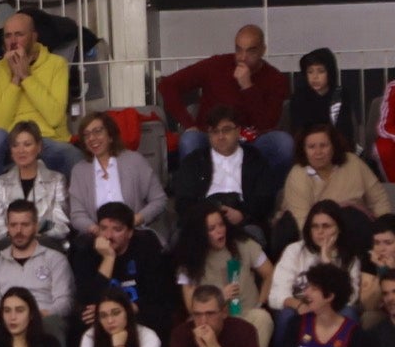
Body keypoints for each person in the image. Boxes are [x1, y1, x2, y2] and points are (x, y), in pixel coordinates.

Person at [156, 25, 290, 168]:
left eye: (251, 51)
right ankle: (193, 189)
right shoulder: (217, 65)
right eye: (239, 50)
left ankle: (268, 190)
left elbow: (267, 124)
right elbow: (167, 85)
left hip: (251, 141)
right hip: (211, 136)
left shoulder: (275, 78)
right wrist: (188, 124)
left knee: (283, 143)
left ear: (263, 50)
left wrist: (248, 87)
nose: (243, 57)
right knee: (190, 140)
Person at [0, 13, 79, 192]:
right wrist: (15, 79)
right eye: (8, 36)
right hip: (12, 140)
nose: (13, 41)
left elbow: (55, 117)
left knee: (73, 155)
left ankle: (73, 211)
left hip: (46, 138)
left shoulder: (57, 64)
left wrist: (27, 76)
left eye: (19, 34)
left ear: (34, 37)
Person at [172, 204, 276, 347]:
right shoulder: (190, 260)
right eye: (212, 229)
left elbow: (269, 273)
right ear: (200, 233)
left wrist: (260, 303)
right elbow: (190, 306)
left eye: (221, 225)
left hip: (246, 315)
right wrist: (220, 297)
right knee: (191, 329)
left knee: (263, 318)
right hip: (211, 321)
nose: (219, 231)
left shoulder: (244, 244)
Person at [270, 200, 366, 347]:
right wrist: (300, 306)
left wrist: (326, 262)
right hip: (299, 309)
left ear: (339, 229)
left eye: (326, 226)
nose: (320, 232)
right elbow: (276, 296)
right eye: (315, 226)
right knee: (286, 315)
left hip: (332, 311)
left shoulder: (350, 258)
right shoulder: (294, 251)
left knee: (349, 313)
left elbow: (350, 298)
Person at [73, 202, 179, 340]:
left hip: (139, 314)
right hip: (105, 317)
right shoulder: (86, 251)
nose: (109, 236)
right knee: (81, 323)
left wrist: (121, 311)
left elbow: (157, 296)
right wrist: (108, 258)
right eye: (103, 228)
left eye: (117, 229)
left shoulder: (146, 246)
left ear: (130, 232)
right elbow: (88, 300)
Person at [169, 107, 277, 236]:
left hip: (244, 221)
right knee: (179, 238)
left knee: (255, 234)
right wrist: (207, 217)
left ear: (238, 131)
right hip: (203, 221)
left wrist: (242, 214)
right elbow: (183, 201)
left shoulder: (255, 159)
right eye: (214, 131)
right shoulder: (194, 161)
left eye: (226, 130)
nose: (220, 136)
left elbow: (265, 198)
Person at [277, 125, 390, 240]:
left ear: (334, 146)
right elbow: (302, 222)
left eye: (323, 145)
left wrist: (387, 232)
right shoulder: (298, 174)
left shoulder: (353, 162)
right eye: (311, 147)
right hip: (313, 236)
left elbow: (378, 201)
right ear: (304, 150)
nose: (318, 152)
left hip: (355, 230)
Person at [67, 111, 167, 237]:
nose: (92, 138)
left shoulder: (134, 160)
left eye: (97, 131)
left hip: (134, 232)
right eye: (86, 135)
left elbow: (159, 200)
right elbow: (77, 215)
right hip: (97, 237)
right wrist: (97, 230)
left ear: (110, 136)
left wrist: (135, 220)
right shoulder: (79, 171)